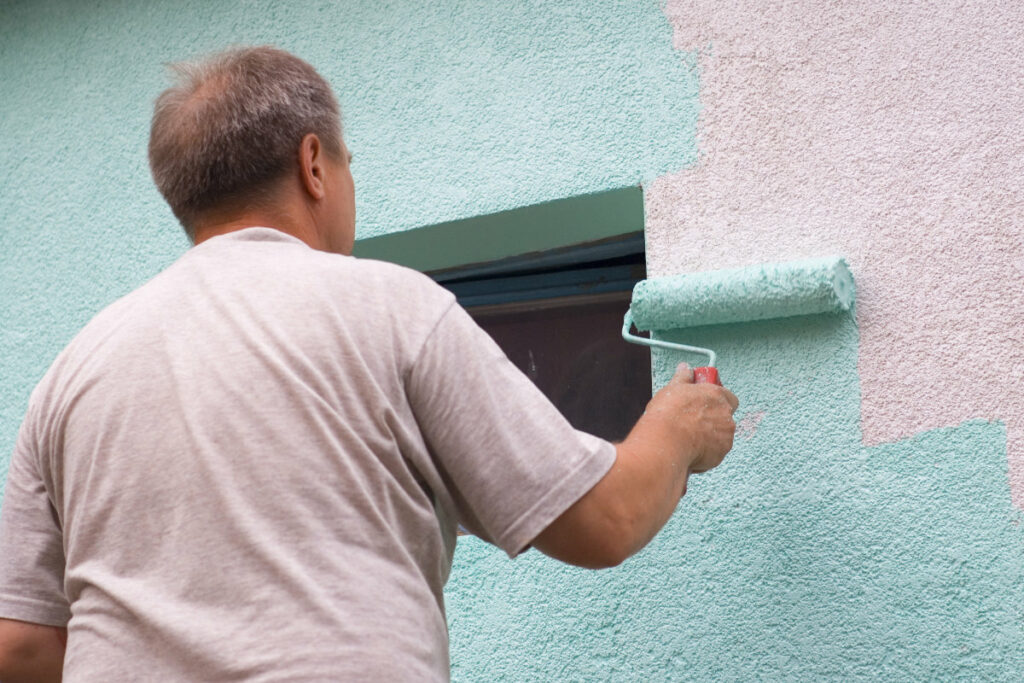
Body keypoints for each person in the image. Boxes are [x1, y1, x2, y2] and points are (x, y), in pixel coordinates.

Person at [0, 46, 738, 681]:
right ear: (314, 163)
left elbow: (25, 644)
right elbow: (602, 520)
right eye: (349, 164)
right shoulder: (390, 307)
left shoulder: (74, 370)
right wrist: (677, 428)